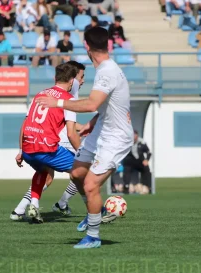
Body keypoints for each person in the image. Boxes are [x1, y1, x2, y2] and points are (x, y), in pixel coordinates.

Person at [36, 26, 133, 249]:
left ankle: (93, 236)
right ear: (108, 44)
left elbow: (91, 103)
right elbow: (108, 105)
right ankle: (95, 211)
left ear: (87, 47)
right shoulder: (106, 69)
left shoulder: (107, 71)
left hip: (115, 137)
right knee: (77, 172)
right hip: (102, 129)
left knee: (90, 185)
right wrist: (92, 122)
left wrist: (57, 103)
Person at [10, 61, 85, 221]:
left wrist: (21, 150)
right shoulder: (69, 99)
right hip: (46, 148)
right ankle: (96, 211)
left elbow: (25, 123)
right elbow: (71, 134)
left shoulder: (39, 94)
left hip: (28, 148)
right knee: (82, 171)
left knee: (43, 171)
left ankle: (33, 206)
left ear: (55, 78)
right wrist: (83, 156)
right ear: (72, 81)